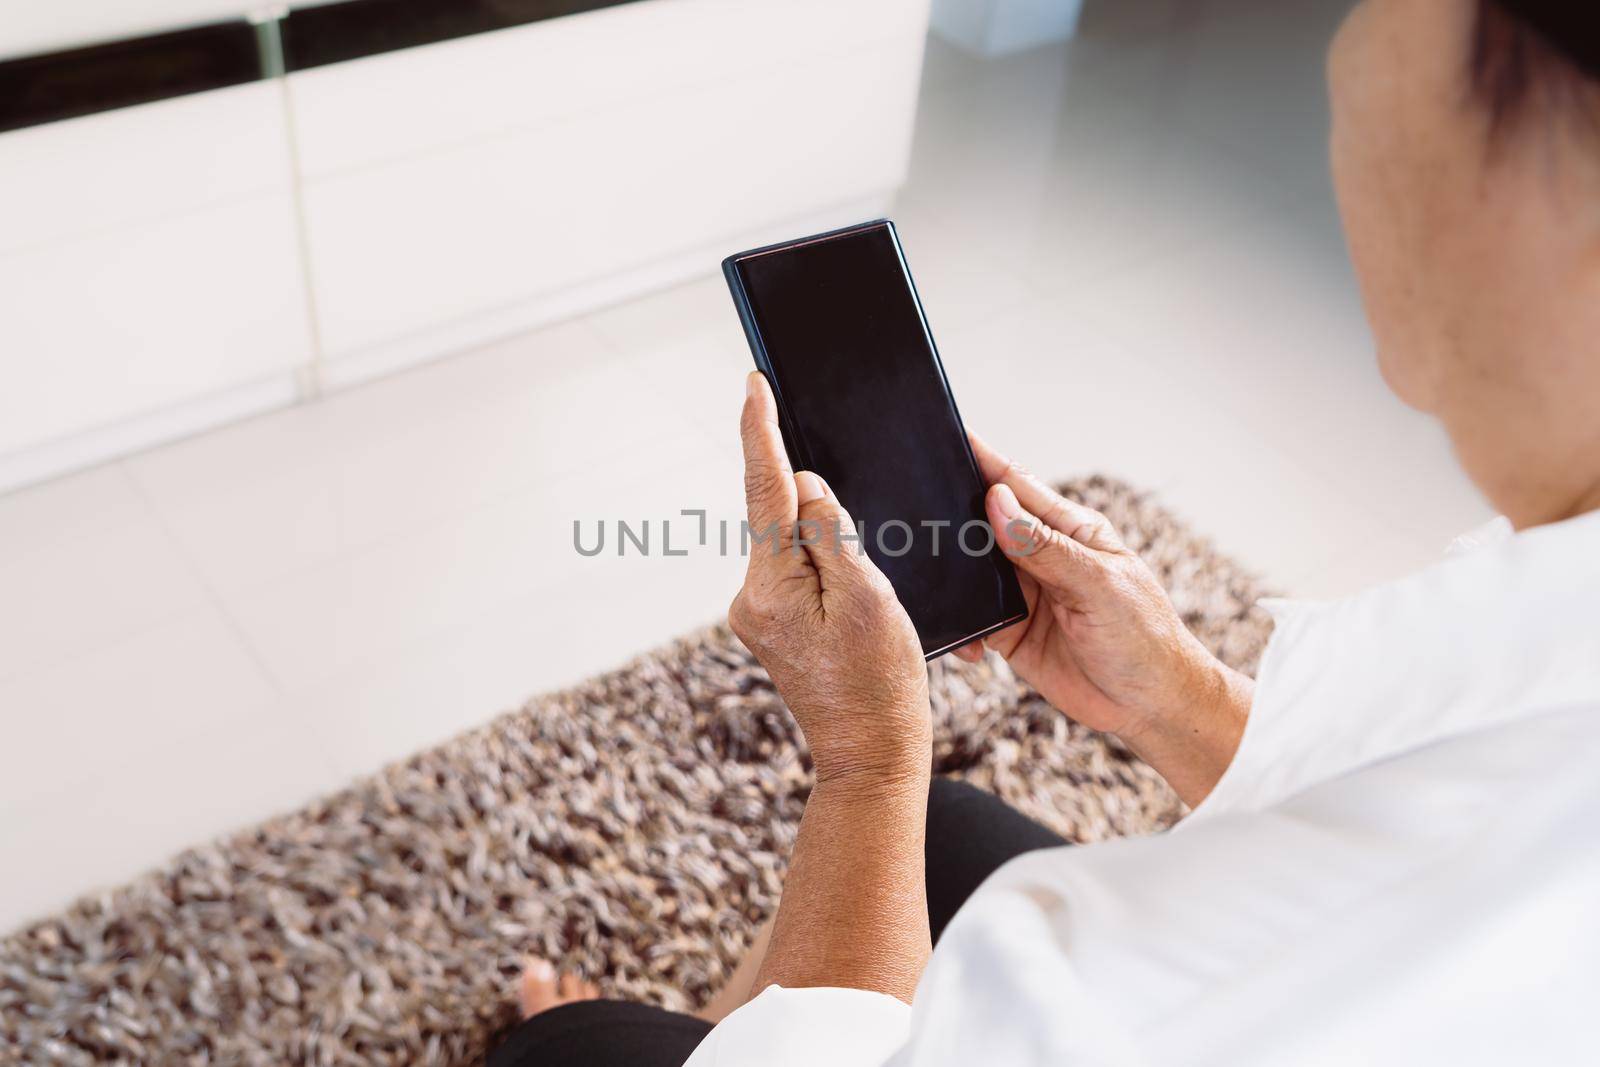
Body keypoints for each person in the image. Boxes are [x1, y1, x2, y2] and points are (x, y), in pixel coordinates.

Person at [491, 0, 1600, 1062]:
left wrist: (866, 759)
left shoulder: (1169, 993)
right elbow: (1397, 825)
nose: (1345, 60)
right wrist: (1178, 695)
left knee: (567, 1045)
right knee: (941, 829)